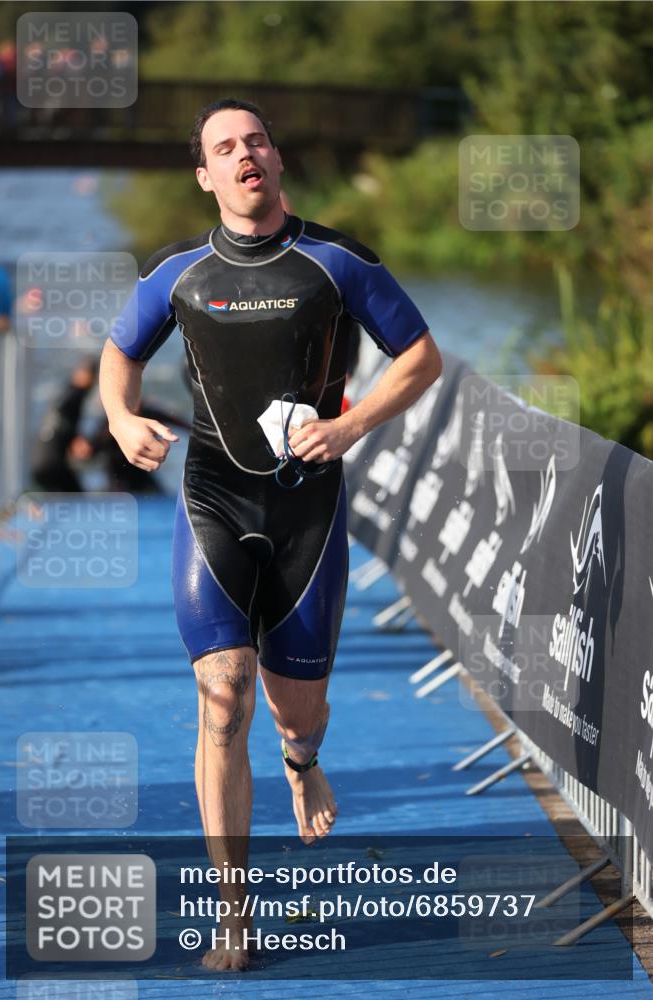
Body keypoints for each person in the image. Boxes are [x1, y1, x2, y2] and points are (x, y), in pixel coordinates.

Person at [99, 97, 442, 971]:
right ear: (206, 175)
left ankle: (302, 759)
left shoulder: (334, 262)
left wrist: (349, 426)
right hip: (214, 495)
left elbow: (419, 357)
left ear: (276, 161)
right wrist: (119, 416)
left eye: (255, 140)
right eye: (225, 146)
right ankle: (234, 915)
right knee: (221, 695)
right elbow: (119, 352)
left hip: (307, 507)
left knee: (296, 706)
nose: (244, 153)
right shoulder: (178, 271)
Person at [30, 356, 99, 492]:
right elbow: (63, 418)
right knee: (76, 499)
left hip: (41, 462)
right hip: (51, 464)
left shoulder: (66, 391)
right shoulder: (75, 394)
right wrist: (76, 439)